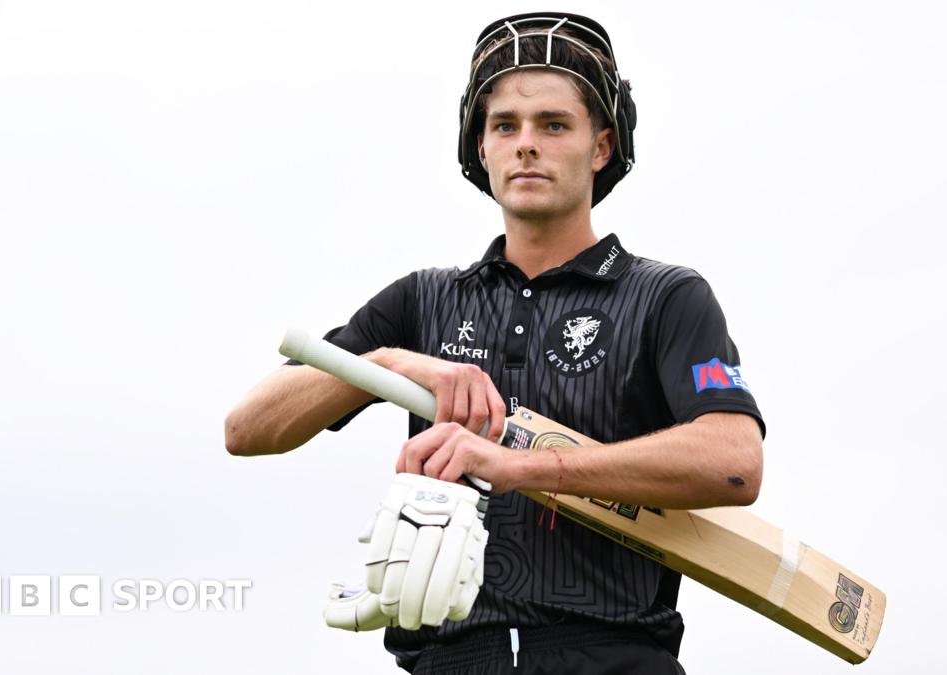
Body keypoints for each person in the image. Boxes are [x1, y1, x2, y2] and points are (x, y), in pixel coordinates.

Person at [225, 12, 766, 675]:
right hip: (450, 661)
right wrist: (385, 364)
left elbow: (734, 462)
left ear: (600, 146)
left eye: (554, 125)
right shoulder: (422, 300)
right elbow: (247, 429)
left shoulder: (665, 296)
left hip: (612, 657)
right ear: (481, 148)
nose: (526, 145)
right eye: (505, 125)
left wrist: (521, 466)